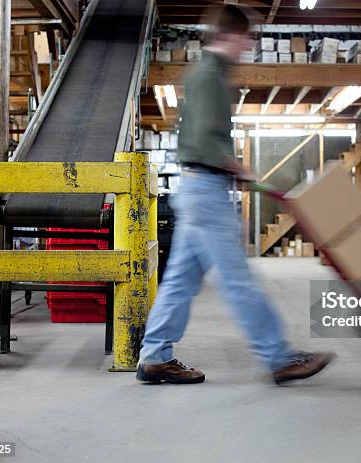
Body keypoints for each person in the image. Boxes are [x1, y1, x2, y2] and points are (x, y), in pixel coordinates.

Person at [137, 4, 335, 385]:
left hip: (194, 187)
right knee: (238, 279)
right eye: (246, 37)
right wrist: (243, 170)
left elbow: (195, 137)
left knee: (179, 281)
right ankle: (279, 357)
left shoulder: (202, 74)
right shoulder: (211, 75)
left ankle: (155, 356)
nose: (248, 45)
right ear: (230, 35)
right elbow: (205, 142)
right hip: (208, 189)